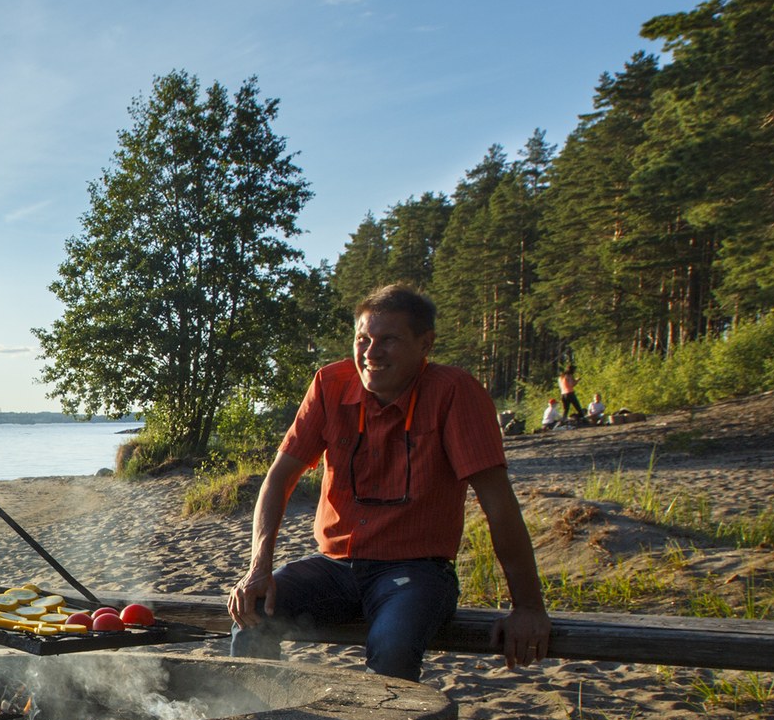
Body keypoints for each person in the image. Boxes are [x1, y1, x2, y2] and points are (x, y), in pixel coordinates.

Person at [227, 284, 551, 683]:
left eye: (389, 340)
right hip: (335, 567)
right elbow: (279, 478)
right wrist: (258, 568)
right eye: (363, 339)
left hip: (416, 572)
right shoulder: (330, 385)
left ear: (425, 344)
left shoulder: (454, 393)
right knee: (253, 610)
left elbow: (499, 505)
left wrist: (528, 607)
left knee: (393, 647)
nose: (371, 353)